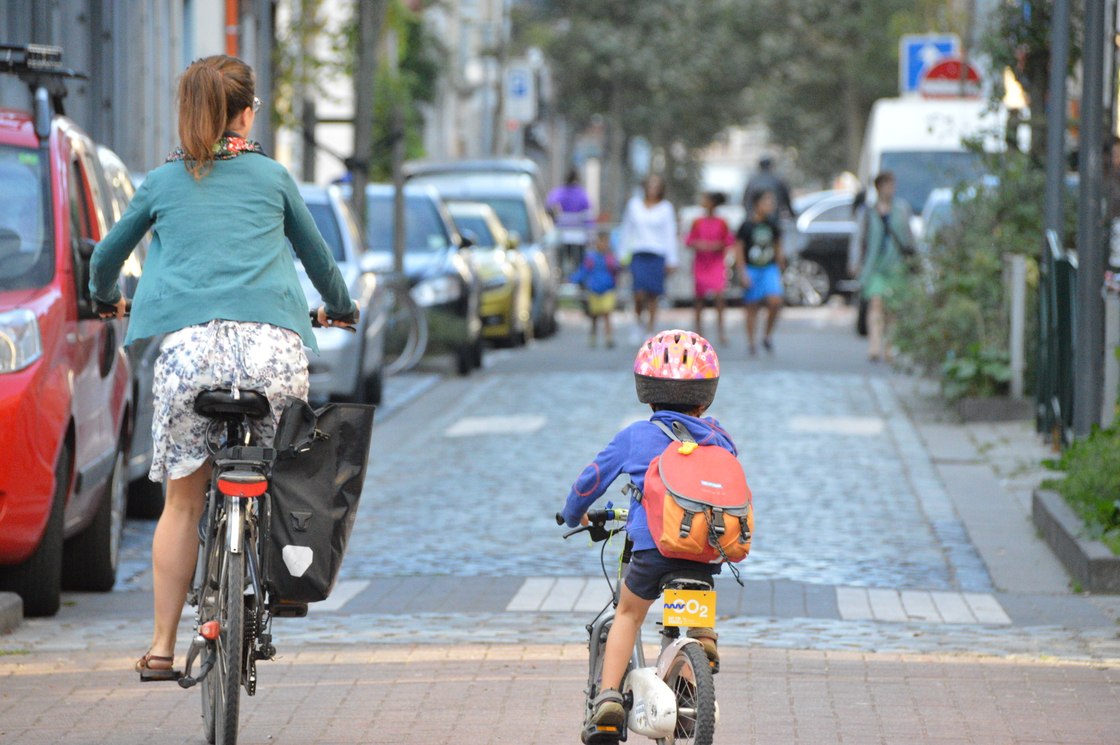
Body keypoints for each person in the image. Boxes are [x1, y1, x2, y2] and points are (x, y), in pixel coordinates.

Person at [88, 55, 358, 681]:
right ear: (246, 111)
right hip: (272, 356)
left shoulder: (159, 183)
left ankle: (160, 647)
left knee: (182, 503)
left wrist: (104, 299)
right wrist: (338, 309)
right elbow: (319, 261)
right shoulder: (273, 178)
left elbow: (106, 257)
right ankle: (279, 582)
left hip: (190, 360)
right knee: (277, 476)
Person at [560, 329, 732, 732]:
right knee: (696, 593)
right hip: (707, 550)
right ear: (706, 399)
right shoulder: (720, 439)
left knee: (628, 613)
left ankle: (607, 702)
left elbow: (590, 481)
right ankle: (701, 639)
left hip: (654, 549)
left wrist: (574, 514)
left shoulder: (636, 436)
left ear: (647, 394)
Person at [857, 171, 914, 361]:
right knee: (876, 303)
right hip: (875, 266)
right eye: (887, 185)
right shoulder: (868, 211)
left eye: (892, 185)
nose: (890, 189)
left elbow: (909, 237)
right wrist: (856, 263)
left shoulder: (902, 209)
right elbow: (859, 239)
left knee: (893, 309)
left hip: (897, 265)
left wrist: (914, 260)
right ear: (879, 188)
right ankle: (874, 346)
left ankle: (890, 347)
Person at [619, 174, 678, 340]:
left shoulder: (666, 208)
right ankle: (638, 323)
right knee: (638, 293)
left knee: (653, 294)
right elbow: (626, 230)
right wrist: (623, 254)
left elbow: (669, 234)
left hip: (657, 254)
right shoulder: (634, 205)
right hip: (639, 253)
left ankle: (651, 329)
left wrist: (672, 259)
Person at [735, 190, 785, 355]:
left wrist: (780, 267)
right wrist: (742, 272)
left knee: (775, 301)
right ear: (757, 204)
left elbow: (778, 246)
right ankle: (751, 342)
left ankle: (767, 335)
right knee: (752, 306)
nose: (770, 206)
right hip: (752, 268)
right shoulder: (746, 225)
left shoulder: (773, 224)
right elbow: (739, 250)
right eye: (767, 202)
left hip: (769, 268)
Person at [684, 191, 735, 344]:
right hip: (701, 263)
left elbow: (728, 241)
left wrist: (713, 246)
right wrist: (699, 245)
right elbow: (689, 240)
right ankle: (698, 333)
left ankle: (721, 332)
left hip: (716, 263)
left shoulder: (722, 222)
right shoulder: (697, 221)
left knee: (719, 297)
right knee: (699, 299)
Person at [569, 227, 619, 348]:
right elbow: (583, 271)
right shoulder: (591, 257)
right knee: (594, 317)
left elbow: (617, 270)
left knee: (607, 314)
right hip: (594, 290)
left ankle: (609, 337)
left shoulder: (610, 257)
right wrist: (572, 279)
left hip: (607, 290)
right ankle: (593, 337)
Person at [547, 168, 595, 276]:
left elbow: (549, 207)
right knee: (578, 266)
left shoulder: (558, 192)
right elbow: (588, 218)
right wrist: (591, 236)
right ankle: (576, 284)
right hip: (579, 238)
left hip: (561, 236)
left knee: (560, 265)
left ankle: (562, 282)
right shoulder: (582, 194)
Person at [741, 155, 794, 219]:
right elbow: (786, 198)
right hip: (770, 216)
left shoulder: (753, 180)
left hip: (758, 217)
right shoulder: (777, 178)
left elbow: (746, 199)